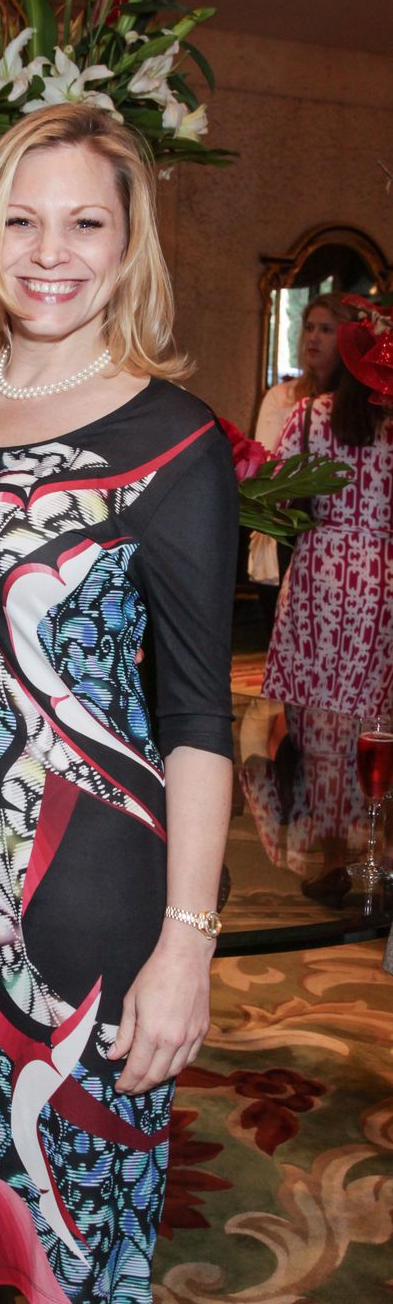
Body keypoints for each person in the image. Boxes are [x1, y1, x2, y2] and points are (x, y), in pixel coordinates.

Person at [0, 103, 237, 1304]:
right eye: (19, 220)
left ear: (129, 245)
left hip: (89, 931)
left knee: (65, 1267)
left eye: (83, 222)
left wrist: (186, 945)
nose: (48, 251)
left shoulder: (174, 443)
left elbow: (196, 722)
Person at [262, 360, 393, 903]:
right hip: (384, 580)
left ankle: (339, 862)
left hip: (322, 576)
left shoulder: (311, 417)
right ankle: (380, 857)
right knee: (377, 719)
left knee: (319, 727)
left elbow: (277, 492)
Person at [248, 293, 354, 597]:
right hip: (286, 527)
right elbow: (266, 467)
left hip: (335, 538)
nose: (314, 337)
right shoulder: (282, 396)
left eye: (326, 330)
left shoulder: (355, 408)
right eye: (309, 328)